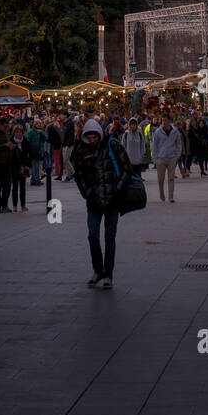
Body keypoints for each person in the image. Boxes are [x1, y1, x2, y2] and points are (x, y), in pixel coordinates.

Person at [71, 118, 132, 289]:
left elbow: (127, 168)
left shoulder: (112, 145)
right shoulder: (82, 151)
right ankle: (98, 270)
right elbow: (79, 174)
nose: (92, 141)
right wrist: (87, 193)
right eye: (89, 138)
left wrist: (117, 189)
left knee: (110, 238)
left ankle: (108, 274)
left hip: (112, 200)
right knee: (92, 235)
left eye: (94, 137)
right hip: (94, 201)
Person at [151, 114, 182, 202]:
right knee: (161, 178)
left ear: (169, 121)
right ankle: (161, 192)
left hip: (172, 158)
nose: (164, 122)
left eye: (165, 120)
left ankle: (171, 196)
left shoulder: (175, 131)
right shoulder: (158, 132)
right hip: (160, 158)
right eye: (162, 120)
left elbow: (178, 143)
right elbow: (154, 145)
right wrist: (155, 158)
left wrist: (177, 155)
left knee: (171, 178)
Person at [10, 124, 30, 210]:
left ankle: (23, 205)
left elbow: (29, 153)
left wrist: (28, 166)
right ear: (14, 133)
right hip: (14, 167)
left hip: (24, 166)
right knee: (15, 187)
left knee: (23, 187)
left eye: (20, 132)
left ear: (23, 133)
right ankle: (14, 206)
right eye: (17, 132)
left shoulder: (25, 141)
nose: (18, 134)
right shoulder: (11, 141)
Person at [25, 119, 44, 185]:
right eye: (38, 123)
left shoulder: (40, 131)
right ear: (35, 124)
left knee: (36, 165)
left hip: (38, 151)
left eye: (40, 123)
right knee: (35, 166)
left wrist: (41, 132)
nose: (39, 125)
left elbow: (46, 137)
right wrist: (30, 148)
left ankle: (33, 180)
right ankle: (36, 180)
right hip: (33, 151)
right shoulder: (31, 131)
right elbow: (27, 139)